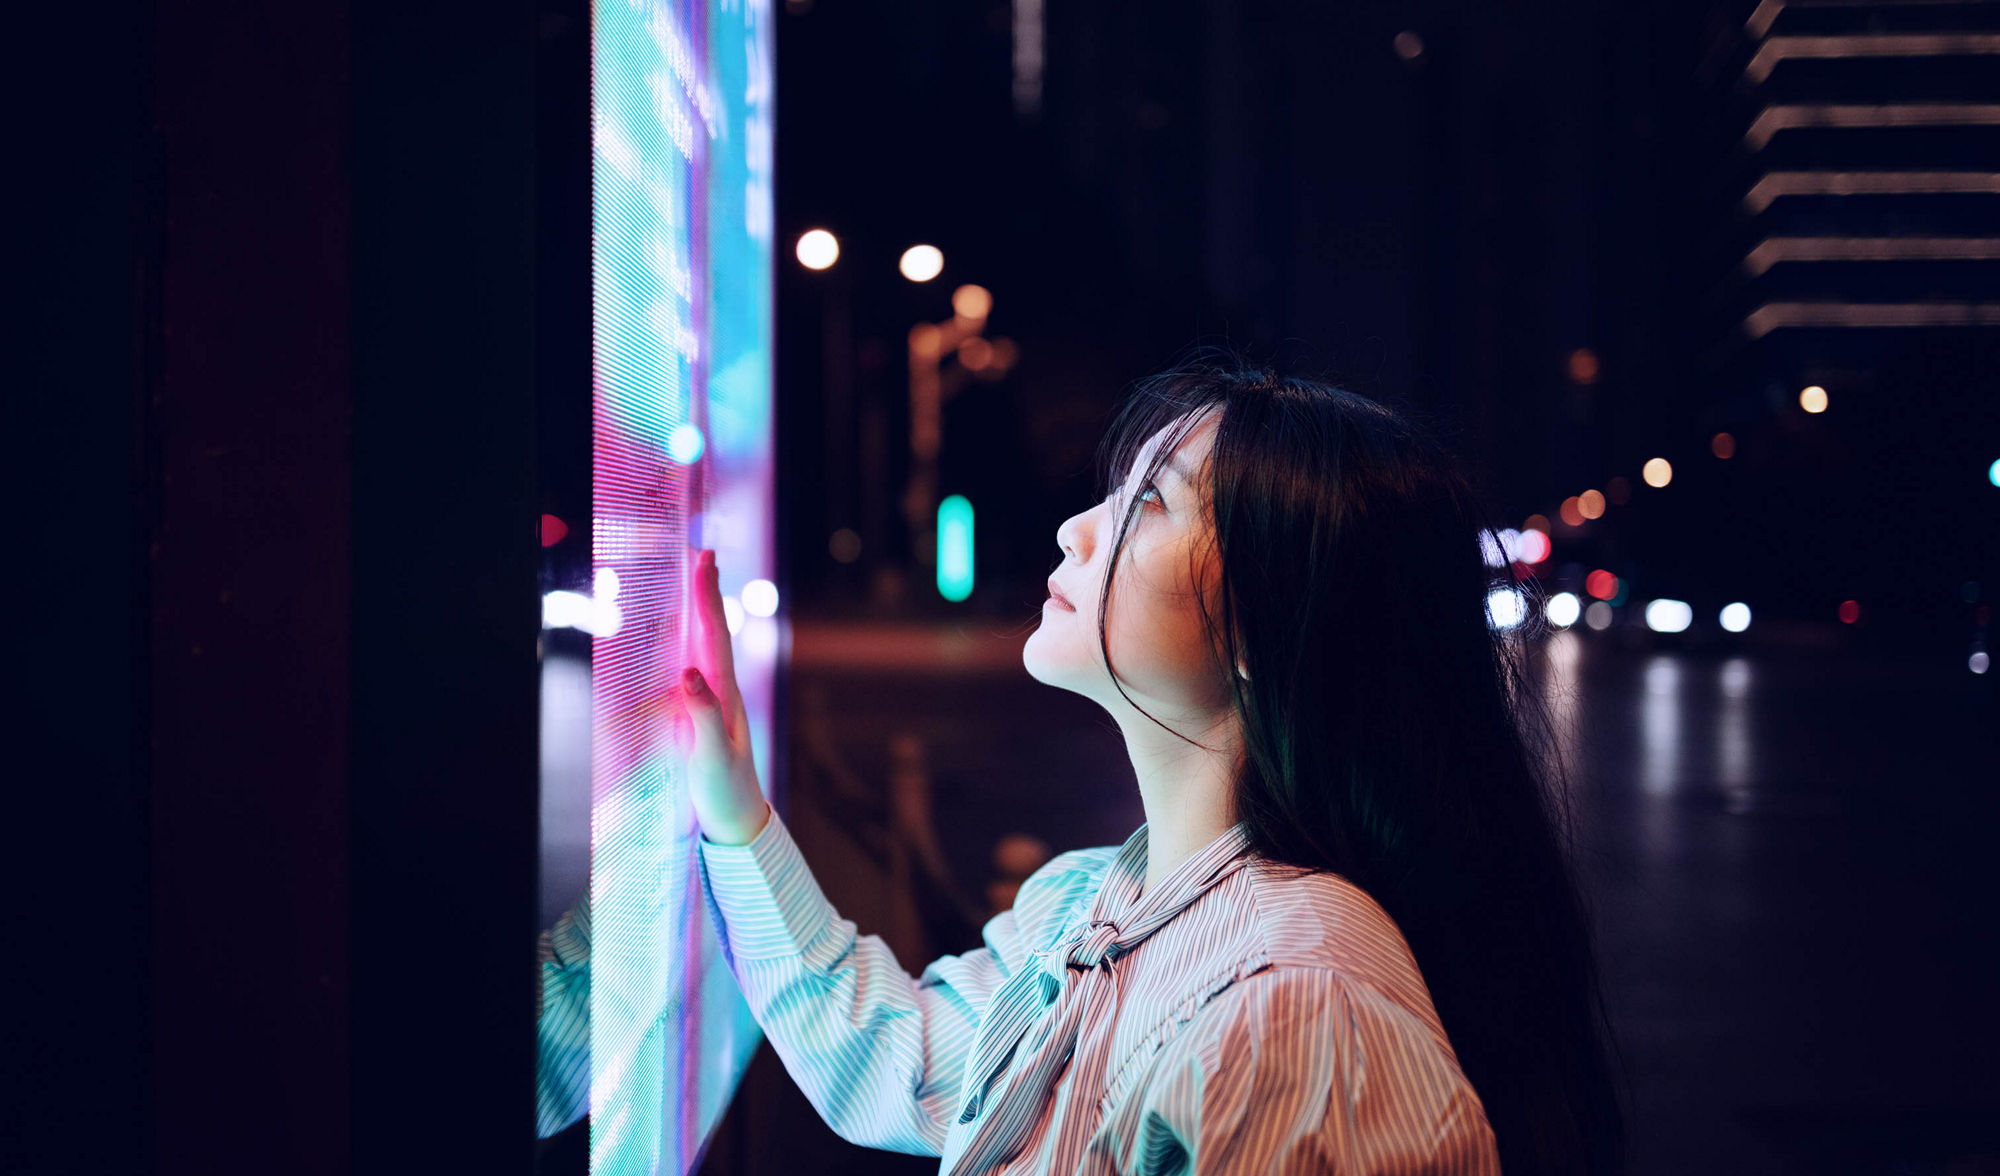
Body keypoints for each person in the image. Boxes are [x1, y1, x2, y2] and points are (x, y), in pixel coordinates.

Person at [542, 356, 1630, 1174]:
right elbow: (901, 1061)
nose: (1073, 529)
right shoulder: (1095, 902)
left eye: (1145, 504)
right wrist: (733, 805)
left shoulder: (1297, 1009)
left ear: (1264, 623)